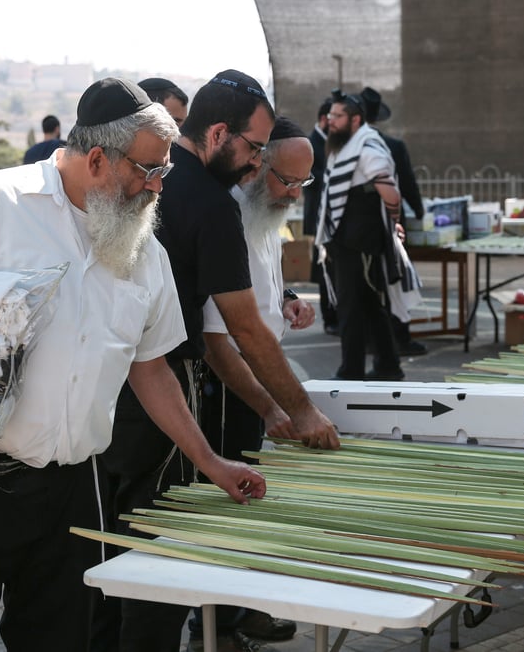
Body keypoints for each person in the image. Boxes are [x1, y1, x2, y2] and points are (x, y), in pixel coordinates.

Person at [0, 77, 266, 652]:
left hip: (75, 490)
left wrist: (210, 461)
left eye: (164, 173)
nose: (157, 189)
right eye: (148, 172)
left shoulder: (145, 253)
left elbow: (150, 367)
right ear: (98, 159)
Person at [99, 69, 339, 652]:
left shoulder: (152, 180)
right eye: (254, 149)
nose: (255, 164)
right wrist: (301, 411)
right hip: (161, 396)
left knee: (107, 556)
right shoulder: (210, 204)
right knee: (161, 559)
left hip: (106, 393)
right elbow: (244, 331)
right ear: (218, 134)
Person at [186, 118, 316, 650]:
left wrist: (287, 302)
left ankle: (244, 609)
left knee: (254, 503)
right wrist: (273, 406)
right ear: (258, 164)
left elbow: (264, 284)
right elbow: (221, 341)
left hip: (258, 381)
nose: (293, 193)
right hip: (232, 391)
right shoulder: (227, 216)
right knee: (230, 504)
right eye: (287, 180)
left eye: (304, 185)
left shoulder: (267, 212)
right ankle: (211, 628)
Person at [317, 91, 413, 381]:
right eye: (330, 115)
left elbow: (389, 189)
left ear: (355, 119)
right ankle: (388, 365)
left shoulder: (367, 146)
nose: (331, 121)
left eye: (338, 116)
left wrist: (393, 221)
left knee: (352, 309)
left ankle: (352, 370)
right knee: (370, 306)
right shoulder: (350, 144)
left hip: (358, 242)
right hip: (350, 240)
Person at [359, 86, 427, 357]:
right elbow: (408, 185)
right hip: (392, 222)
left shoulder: (352, 145)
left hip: (363, 228)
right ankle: (400, 337)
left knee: (369, 285)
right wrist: (419, 212)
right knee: (396, 281)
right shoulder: (394, 146)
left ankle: (372, 340)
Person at [302, 98, 337, 335]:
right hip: (319, 217)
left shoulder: (332, 142)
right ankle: (330, 318)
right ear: (324, 119)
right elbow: (310, 180)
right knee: (326, 270)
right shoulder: (310, 144)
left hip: (335, 218)